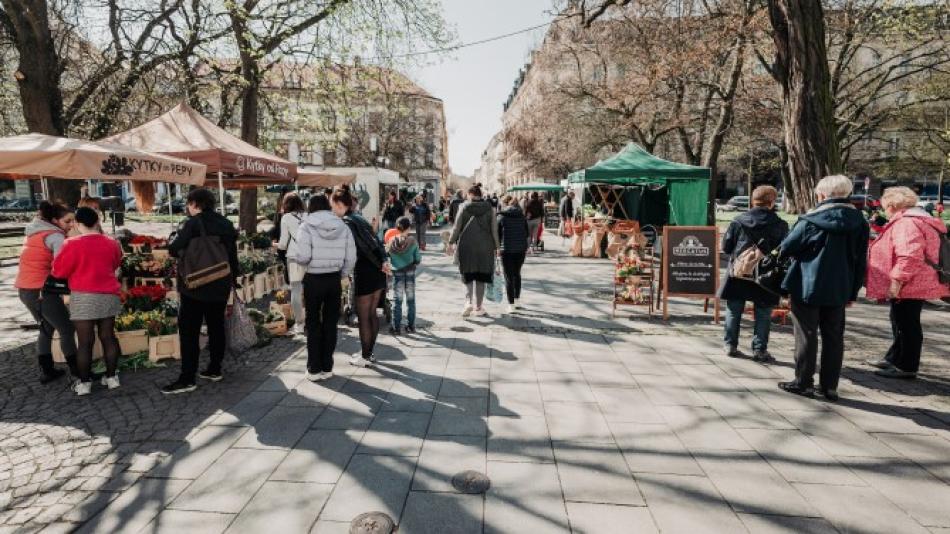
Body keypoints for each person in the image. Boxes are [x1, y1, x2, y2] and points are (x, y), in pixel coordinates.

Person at [777, 175, 869, 401]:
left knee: (806, 334)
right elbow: (860, 261)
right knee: (834, 337)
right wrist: (853, 291)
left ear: (821, 195)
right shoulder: (859, 222)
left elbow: (786, 247)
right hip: (840, 286)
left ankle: (803, 382)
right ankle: (829, 386)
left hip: (806, 284)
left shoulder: (810, 220)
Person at [865, 187, 949, 379]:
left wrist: (897, 281)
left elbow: (909, 256)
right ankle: (894, 358)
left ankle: (907, 366)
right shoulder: (919, 219)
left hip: (910, 282)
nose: (884, 210)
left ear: (893, 206)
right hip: (917, 280)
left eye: (885, 206)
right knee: (900, 319)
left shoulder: (907, 223)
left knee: (907, 323)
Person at [162, 188, 239, 395]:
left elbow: (174, 248)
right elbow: (233, 255)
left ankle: (188, 378)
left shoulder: (193, 223)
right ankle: (215, 368)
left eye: (189, 203)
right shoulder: (226, 223)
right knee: (216, 325)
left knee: (189, 331)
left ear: (195, 203)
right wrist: (234, 279)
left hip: (195, 286)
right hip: (221, 282)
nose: (188, 207)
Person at [51, 208, 123, 396]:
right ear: (97, 220)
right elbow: (116, 263)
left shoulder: (71, 244)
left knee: (85, 342)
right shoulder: (112, 243)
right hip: (109, 294)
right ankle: (112, 378)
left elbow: (59, 272)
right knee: (108, 337)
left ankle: (84, 384)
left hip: (83, 296)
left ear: (77, 223)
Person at [719, 186, 789, 362]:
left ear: (752, 201)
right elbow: (784, 252)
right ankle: (759, 350)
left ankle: (730, 345)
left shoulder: (738, 221)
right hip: (766, 275)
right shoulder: (781, 225)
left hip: (740, 273)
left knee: (734, 309)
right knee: (763, 312)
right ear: (772, 202)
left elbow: (726, 248)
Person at [290, 193, 356, 380]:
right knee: (330, 322)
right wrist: (342, 273)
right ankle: (327, 367)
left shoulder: (306, 226)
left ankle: (313, 368)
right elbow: (351, 257)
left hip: (313, 279)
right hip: (334, 279)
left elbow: (302, 257)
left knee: (312, 322)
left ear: (310, 207)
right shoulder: (342, 226)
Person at [15, 201, 77, 383]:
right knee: (66, 328)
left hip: (25, 290)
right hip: (42, 291)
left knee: (46, 327)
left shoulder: (34, 232)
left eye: (73, 221)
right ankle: (77, 371)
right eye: (67, 221)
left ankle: (47, 370)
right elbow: (62, 266)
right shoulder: (55, 236)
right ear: (54, 220)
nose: (71, 225)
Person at [335, 185, 391, 367]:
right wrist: (383, 262)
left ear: (339, 204)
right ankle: (369, 353)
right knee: (372, 314)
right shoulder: (360, 219)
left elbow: (360, 249)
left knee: (364, 315)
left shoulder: (347, 222)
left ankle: (366, 356)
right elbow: (376, 241)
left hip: (365, 271)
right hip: (377, 271)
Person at [450, 184, 499, 317]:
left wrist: (450, 242)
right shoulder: (490, 208)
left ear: (470, 194)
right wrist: (497, 247)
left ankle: (468, 302)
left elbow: (456, 227)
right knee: (481, 277)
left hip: (467, 245)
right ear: (481, 195)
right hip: (485, 246)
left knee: (468, 275)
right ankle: (478, 307)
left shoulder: (464, 207)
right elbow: (494, 230)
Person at [387, 217, 422, 334]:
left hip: (397, 273)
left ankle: (396, 327)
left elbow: (388, 256)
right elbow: (418, 258)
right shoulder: (412, 241)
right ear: (409, 228)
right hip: (410, 272)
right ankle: (411, 326)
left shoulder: (391, 241)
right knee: (411, 300)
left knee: (397, 300)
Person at [278, 193, 306, 333]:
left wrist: (274, 245)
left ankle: (299, 323)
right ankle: (314, 319)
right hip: (310, 257)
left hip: (294, 257)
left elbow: (283, 244)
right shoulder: (308, 216)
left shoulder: (286, 218)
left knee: (296, 289)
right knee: (311, 289)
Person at [497, 195, 530, 313]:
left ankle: (511, 305)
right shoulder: (522, 216)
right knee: (517, 274)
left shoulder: (501, 217)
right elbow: (527, 234)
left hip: (506, 250)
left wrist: (496, 248)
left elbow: (497, 235)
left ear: (506, 204)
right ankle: (517, 300)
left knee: (508, 277)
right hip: (521, 250)